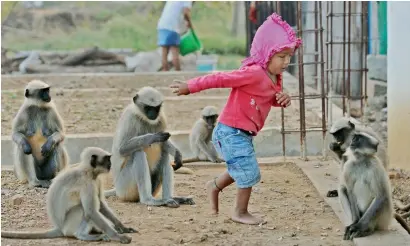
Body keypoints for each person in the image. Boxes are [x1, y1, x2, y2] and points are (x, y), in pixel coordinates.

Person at [170, 13, 302, 225]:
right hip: (230, 131)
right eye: (281, 56)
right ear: (266, 53)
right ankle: (240, 212)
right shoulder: (253, 73)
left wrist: (282, 98)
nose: (286, 61)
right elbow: (220, 78)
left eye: (289, 56)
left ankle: (214, 186)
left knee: (239, 167)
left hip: (243, 133)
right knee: (249, 170)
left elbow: (269, 98)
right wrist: (191, 86)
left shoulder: (275, 77)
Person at [157, 1, 193, 71]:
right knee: (175, 52)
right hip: (173, 26)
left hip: (162, 25)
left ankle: (165, 73)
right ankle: (178, 73)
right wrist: (189, 24)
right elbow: (186, 12)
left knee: (164, 53)